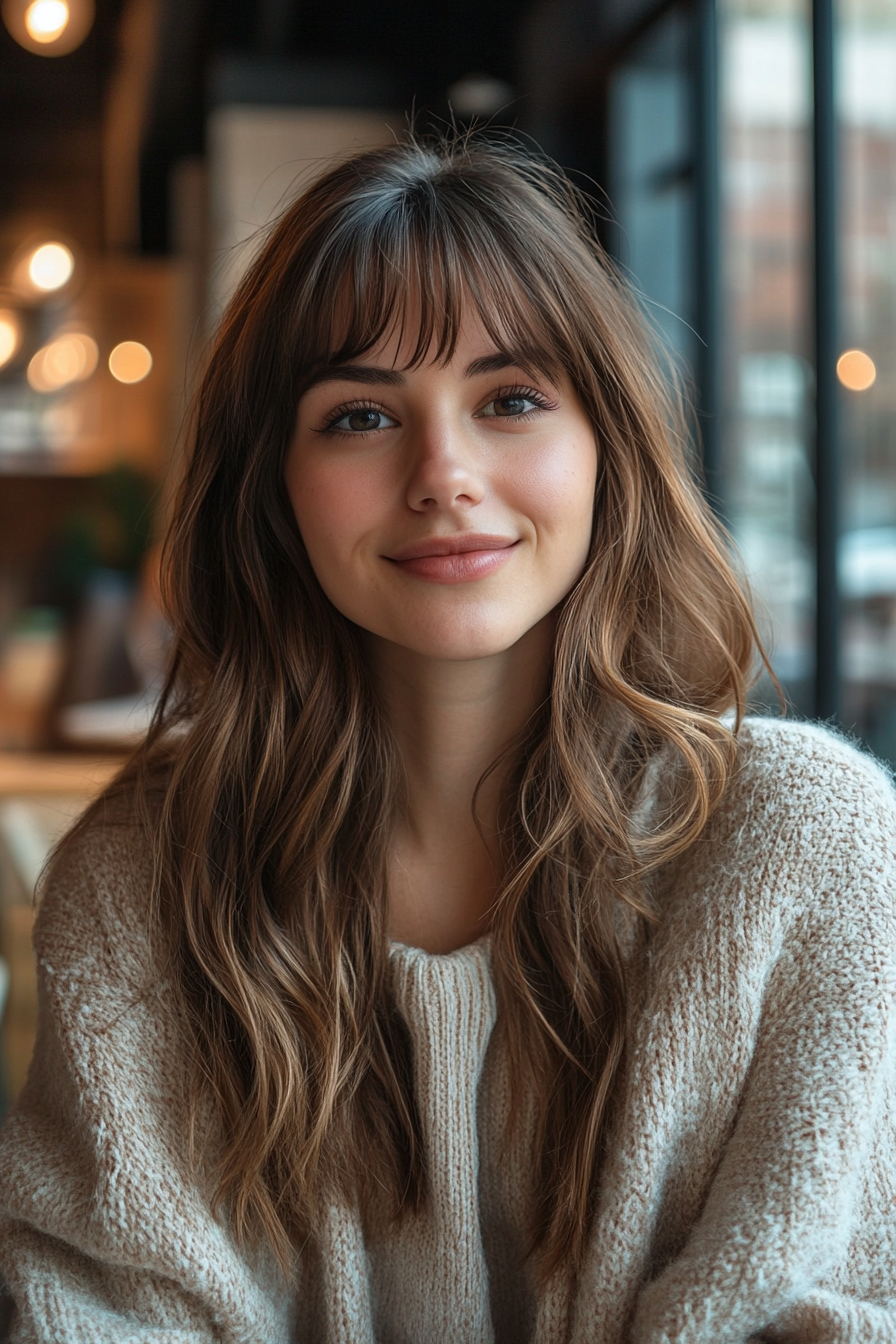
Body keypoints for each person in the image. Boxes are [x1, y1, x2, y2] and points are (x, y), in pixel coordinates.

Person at [0, 131, 894, 1344]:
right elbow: (91, 1312)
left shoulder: (812, 851)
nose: (444, 473)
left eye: (511, 400)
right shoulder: (140, 881)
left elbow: (824, 1312)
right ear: (273, 487)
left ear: (606, 451)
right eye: (360, 415)